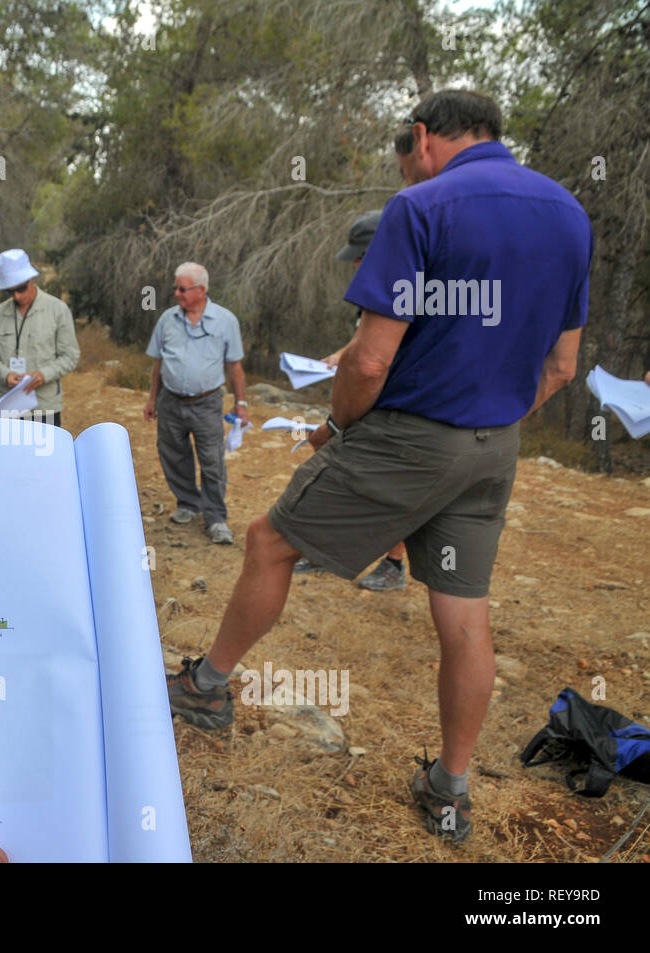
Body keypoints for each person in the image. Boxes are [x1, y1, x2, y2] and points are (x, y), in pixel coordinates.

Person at [166, 90, 593, 844]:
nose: (404, 180)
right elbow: (562, 364)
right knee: (464, 616)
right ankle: (452, 789)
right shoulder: (568, 214)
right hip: (495, 445)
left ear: (422, 138)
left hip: (409, 438)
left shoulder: (423, 208)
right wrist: (490, 418)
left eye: (405, 164)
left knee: (268, 541)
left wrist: (336, 426)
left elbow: (368, 357)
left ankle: (206, 685)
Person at [295, 211, 409, 591]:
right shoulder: (380, 285)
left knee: (367, 480)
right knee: (333, 469)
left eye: (362, 254)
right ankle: (323, 549)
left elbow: (381, 357)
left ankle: (393, 564)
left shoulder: (405, 285)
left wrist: (336, 421)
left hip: (384, 408)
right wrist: (340, 355)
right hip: (366, 405)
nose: (357, 263)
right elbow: (367, 340)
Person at [143, 263, 249, 545]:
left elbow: (234, 366)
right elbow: (158, 363)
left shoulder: (226, 321)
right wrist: (152, 399)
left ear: (202, 290)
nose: (176, 293)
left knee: (212, 461)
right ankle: (189, 503)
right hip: (170, 400)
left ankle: (216, 518)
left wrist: (241, 403)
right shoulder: (167, 320)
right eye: (176, 287)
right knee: (173, 454)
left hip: (206, 403)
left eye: (183, 288)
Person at [0, 249, 79, 428]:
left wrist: (44, 375)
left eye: (21, 289)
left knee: (44, 456)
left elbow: (70, 356)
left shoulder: (57, 310)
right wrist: (6, 374)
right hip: (5, 407)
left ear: (32, 279)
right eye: (11, 292)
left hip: (44, 407)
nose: (17, 296)